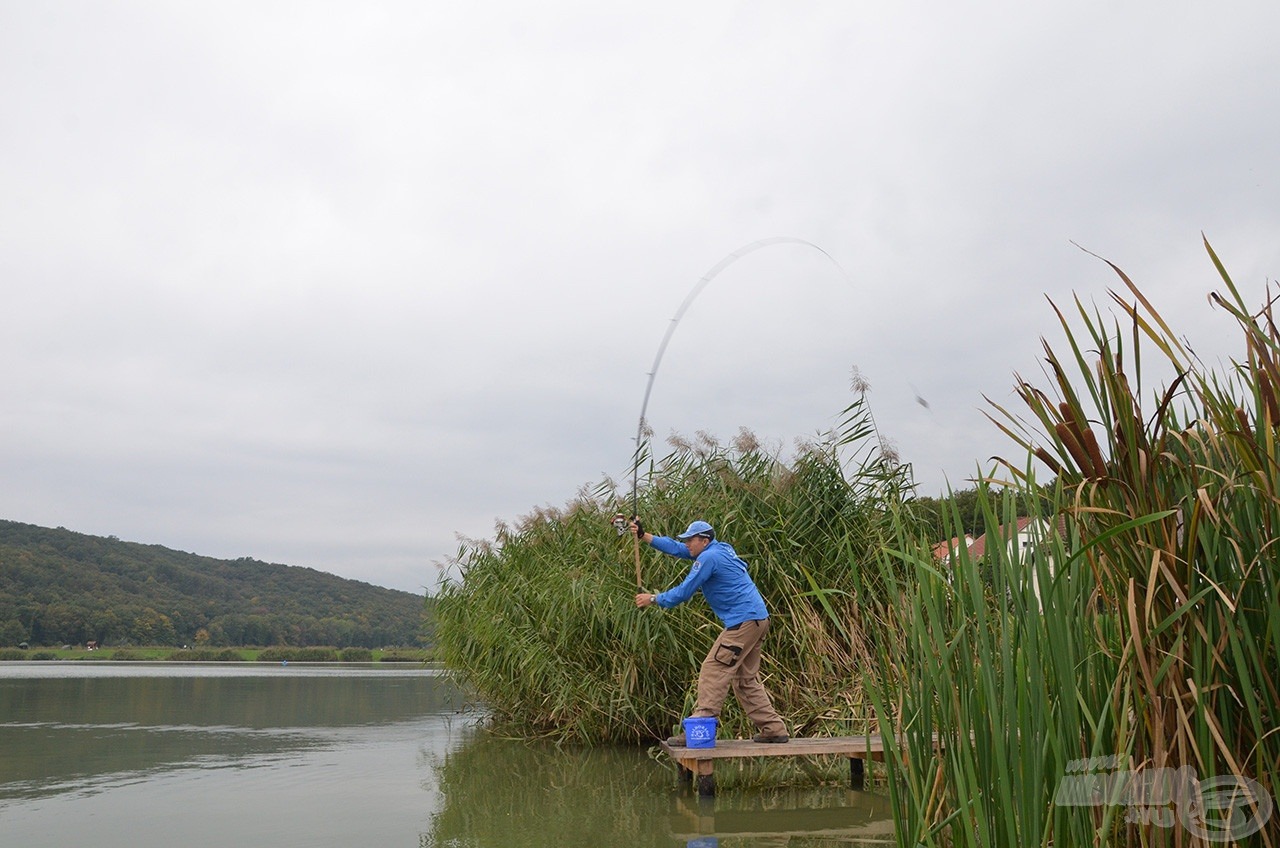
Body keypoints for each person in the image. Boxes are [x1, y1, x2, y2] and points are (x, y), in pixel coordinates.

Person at [633, 518, 789, 745]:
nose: (687, 544)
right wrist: (644, 536)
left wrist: (654, 598)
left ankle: (699, 730)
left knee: (713, 669)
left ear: (704, 540)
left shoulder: (708, 558)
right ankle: (774, 729)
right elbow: (677, 549)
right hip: (757, 619)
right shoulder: (720, 548)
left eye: (690, 540)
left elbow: (684, 592)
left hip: (742, 622)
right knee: (745, 679)